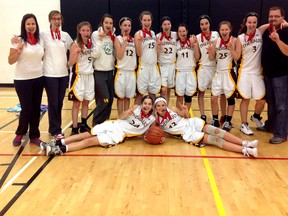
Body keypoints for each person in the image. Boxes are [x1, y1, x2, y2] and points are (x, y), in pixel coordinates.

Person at [40, 95, 156, 155]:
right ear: (141, 104)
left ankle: (59, 149)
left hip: (119, 134)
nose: (146, 106)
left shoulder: (152, 120)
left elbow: (150, 134)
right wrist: (129, 111)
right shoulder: (135, 108)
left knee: (89, 141)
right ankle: (56, 142)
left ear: (152, 106)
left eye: (149, 104)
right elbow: (120, 117)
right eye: (145, 103)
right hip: (115, 124)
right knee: (86, 134)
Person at [154, 96, 258, 157]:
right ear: (155, 108)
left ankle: (246, 143)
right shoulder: (155, 120)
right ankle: (246, 151)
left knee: (217, 131)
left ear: (166, 105)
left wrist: (185, 111)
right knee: (215, 139)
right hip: (187, 133)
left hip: (191, 123)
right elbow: (156, 133)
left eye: (163, 105)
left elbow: (186, 116)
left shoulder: (173, 109)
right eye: (158, 106)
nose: (161, 107)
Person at [8, 14, 44, 146]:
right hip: (22, 80)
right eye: (28, 24)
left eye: (33, 23)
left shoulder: (40, 40)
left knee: (36, 108)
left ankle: (34, 135)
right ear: (24, 26)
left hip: (38, 78)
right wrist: (18, 51)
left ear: (36, 25)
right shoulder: (17, 41)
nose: (30, 26)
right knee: (26, 108)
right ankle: (20, 134)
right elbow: (10, 61)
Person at [233, 12, 268, 135]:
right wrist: (231, 48)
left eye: (254, 22)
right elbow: (237, 57)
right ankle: (244, 124)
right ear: (245, 23)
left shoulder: (260, 31)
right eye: (250, 22)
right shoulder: (240, 38)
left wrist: (285, 23)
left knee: (262, 100)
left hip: (257, 73)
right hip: (245, 72)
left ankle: (256, 116)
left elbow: (274, 23)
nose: (252, 24)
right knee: (246, 99)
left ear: (257, 23)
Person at [40, 10, 73, 139]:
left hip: (63, 74)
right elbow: (38, 50)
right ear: (50, 20)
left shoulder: (65, 35)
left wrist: (70, 62)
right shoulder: (44, 34)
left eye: (59, 19)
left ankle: (54, 128)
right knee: (53, 102)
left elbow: (74, 48)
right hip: (49, 74)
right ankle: (55, 130)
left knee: (59, 103)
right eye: (54, 19)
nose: (57, 21)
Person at [260, 6, 288, 144]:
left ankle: (281, 133)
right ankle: (271, 125)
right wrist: (271, 24)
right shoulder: (268, 31)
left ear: (283, 17)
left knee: (281, 106)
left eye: (276, 16)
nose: (273, 19)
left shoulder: (286, 31)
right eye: (271, 16)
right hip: (268, 74)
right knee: (270, 103)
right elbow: (258, 29)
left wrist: (277, 40)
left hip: (281, 75)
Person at [194, 15, 227, 125]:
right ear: (199, 26)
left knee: (220, 93)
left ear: (209, 24)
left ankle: (223, 115)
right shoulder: (198, 37)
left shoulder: (216, 34)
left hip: (215, 68)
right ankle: (203, 114)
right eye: (202, 24)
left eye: (206, 23)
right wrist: (194, 46)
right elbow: (197, 56)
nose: (204, 26)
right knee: (201, 93)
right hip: (203, 68)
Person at [208, 21, 237, 131]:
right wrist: (210, 51)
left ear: (230, 30)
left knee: (230, 98)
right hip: (218, 72)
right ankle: (215, 119)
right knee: (213, 98)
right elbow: (211, 58)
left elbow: (237, 57)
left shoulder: (234, 41)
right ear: (219, 31)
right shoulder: (216, 42)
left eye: (226, 29)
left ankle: (228, 121)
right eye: (222, 30)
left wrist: (231, 49)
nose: (224, 32)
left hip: (229, 72)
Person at [68, 21, 94, 135]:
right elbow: (70, 63)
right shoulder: (75, 44)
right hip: (78, 76)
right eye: (83, 30)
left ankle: (83, 124)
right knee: (76, 103)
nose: (86, 32)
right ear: (79, 31)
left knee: (86, 102)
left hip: (89, 75)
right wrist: (76, 53)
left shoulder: (92, 43)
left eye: (87, 30)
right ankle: (74, 127)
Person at [91, 13, 115, 126]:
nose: (108, 25)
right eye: (106, 23)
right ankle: (96, 121)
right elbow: (94, 55)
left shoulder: (113, 36)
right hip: (99, 71)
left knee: (110, 100)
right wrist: (100, 40)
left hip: (110, 71)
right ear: (102, 23)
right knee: (104, 99)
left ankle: (105, 122)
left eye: (110, 23)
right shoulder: (96, 34)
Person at [134, 11, 161, 104]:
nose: (147, 22)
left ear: (151, 21)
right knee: (140, 94)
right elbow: (139, 53)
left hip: (153, 66)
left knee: (153, 93)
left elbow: (157, 53)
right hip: (143, 67)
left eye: (148, 20)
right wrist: (139, 42)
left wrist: (159, 46)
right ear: (141, 21)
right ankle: (136, 116)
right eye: (144, 20)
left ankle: (153, 115)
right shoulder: (138, 34)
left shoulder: (153, 34)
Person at [114, 17, 137, 116]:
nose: (127, 27)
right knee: (120, 97)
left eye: (129, 25)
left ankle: (126, 117)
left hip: (131, 72)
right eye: (125, 25)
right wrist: (124, 42)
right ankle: (120, 118)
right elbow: (119, 55)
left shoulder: (134, 39)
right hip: (121, 72)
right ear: (120, 26)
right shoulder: (117, 39)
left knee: (128, 97)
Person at [175, 24, 197, 111]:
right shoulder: (176, 44)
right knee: (179, 96)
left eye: (183, 31)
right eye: (180, 31)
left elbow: (197, 57)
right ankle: (178, 116)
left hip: (190, 71)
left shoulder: (192, 41)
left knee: (188, 96)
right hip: (180, 71)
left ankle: (186, 115)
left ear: (187, 32)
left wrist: (195, 45)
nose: (182, 33)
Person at [156, 16, 177, 105]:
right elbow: (156, 53)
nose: (166, 26)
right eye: (164, 24)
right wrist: (159, 46)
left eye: (168, 24)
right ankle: (161, 108)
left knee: (168, 89)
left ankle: (166, 108)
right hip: (162, 65)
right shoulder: (158, 36)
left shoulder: (175, 35)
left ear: (171, 25)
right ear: (162, 26)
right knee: (163, 90)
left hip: (172, 65)